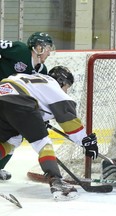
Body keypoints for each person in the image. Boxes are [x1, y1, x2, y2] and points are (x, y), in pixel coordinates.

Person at [0, 66, 98, 201]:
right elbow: (67, 118)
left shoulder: (30, 78)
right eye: (67, 86)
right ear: (61, 81)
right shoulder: (52, 84)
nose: (66, 89)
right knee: (43, 144)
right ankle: (57, 182)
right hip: (21, 102)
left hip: (3, 97)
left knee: (12, 141)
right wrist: (85, 141)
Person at [0, 32, 55, 180]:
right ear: (38, 47)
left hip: (10, 105)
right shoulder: (20, 50)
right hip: (2, 95)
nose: (49, 52)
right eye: (47, 48)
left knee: (15, 137)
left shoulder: (42, 71)